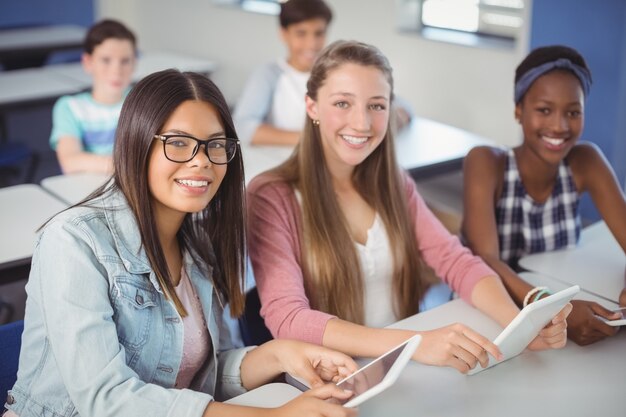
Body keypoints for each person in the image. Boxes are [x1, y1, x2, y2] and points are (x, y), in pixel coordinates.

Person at [3, 69, 360, 417]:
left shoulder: (199, 245)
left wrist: (282, 354)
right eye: (177, 143)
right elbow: (106, 400)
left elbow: (204, 374)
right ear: (136, 142)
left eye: (215, 145)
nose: (202, 160)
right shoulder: (74, 240)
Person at [247, 40, 571, 374]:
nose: (362, 123)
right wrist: (414, 342)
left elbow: (455, 261)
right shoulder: (271, 196)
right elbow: (288, 318)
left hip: (404, 368)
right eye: (342, 103)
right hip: (333, 382)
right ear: (312, 107)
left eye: (376, 105)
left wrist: (520, 325)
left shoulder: (395, 184)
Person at [462, 45, 626, 346]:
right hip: (491, 313)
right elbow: (484, 258)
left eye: (573, 113)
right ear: (518, 110)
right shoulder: (486, 163)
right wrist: (550, 307)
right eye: (544, 110)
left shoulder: (586, 160)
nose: (560, 126)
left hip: (559, 312)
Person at [233, 0, 332, 146]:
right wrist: (313, 141)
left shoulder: (335, 76)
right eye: (301, 33)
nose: (311, 44)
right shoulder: (268, 75)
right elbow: (243, 128)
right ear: (284, 34)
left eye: (319, 33)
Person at [50, 19, 137, 174]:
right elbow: (70, 161)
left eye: (125, 61)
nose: (116, 71)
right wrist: (123, 166)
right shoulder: (69, 107)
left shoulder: (141, 101)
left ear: (134, 63)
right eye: (106, 60)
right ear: (88, 62)